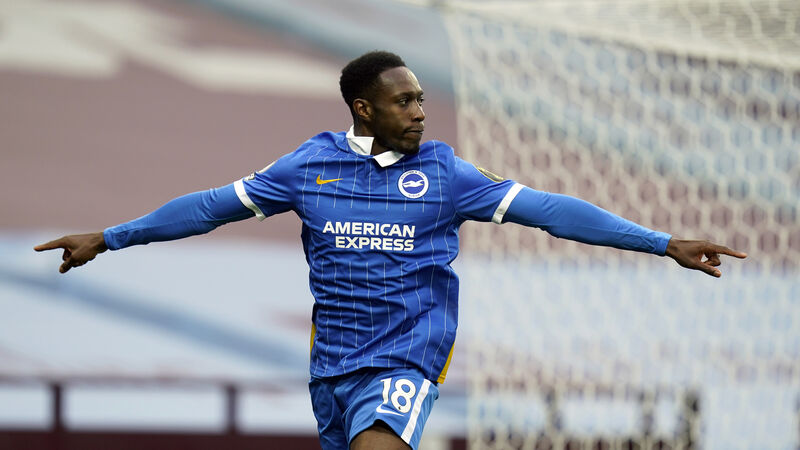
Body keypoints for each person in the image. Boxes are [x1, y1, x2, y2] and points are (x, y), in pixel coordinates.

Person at [35, 50, 746, 450]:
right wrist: (109, 236)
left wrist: (661, 243)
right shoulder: (308, 168)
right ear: (363, 108)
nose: (420, 112)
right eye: (404, 102)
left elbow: (552, 212)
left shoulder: (445, 174)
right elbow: (208, 208)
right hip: (332, 368)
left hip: (406, 358)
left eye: (421, 100)